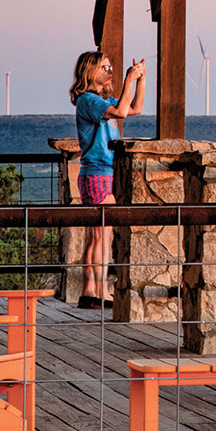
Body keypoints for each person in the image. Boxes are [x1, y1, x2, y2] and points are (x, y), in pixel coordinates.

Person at [70, 50, 145, 309]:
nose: (110, 71)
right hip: (97, 172)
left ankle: (91, 291)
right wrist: (128, 79)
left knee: (97, 236)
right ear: (89, 72)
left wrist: (140, 81)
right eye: (105, 67)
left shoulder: (99, 101)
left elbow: (135, 108)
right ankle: (97, 291)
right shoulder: (89, 101)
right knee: (102, 235)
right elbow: (122, 112)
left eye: (111, 67)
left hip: (99, 174)